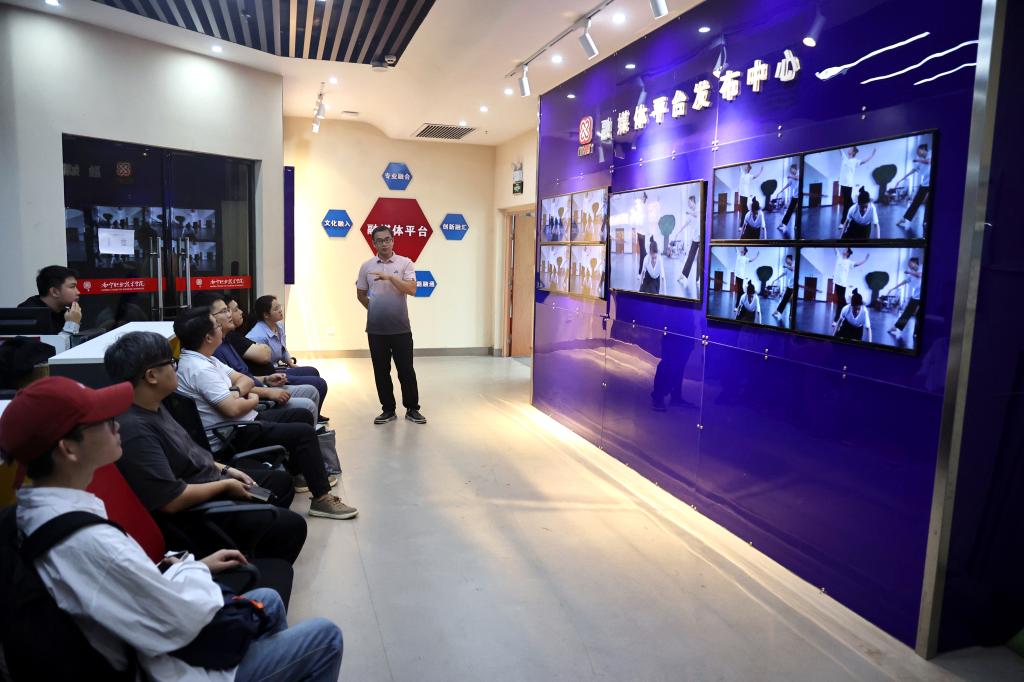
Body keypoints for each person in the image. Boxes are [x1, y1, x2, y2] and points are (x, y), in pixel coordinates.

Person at [0, 376, 343, 681]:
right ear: (68, 448)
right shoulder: (89, 541)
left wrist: (194, 567)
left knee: (267, 600)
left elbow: (121, 589)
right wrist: (192, 572)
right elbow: (181, 620)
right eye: (103, 421)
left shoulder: (33, 513)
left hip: (150, 638)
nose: (116, 425)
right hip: (163, 664)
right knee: (325, 636)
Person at [104, 331, 308, 565]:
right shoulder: (136, 430)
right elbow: (171, 500)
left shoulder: (156, 406)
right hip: (198, 510)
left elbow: (190, 452)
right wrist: (225, 485)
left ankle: (255, 549)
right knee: (292, 526)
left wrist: (226, 470)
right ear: (151, 376)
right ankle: (249, 568)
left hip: (211, 479)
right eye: (171, 363)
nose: (176, 368)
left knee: (279, 484)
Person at [173, 307, 357, 520]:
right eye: (216, 325)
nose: (220, 327)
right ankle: (322, 499)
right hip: (235, 433)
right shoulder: (199, 369)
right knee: (304, 433)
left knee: (302, 415)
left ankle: (300, 474)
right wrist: (250, 399)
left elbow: (244, 379)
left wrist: (238, 393)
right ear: (207, 337)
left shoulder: (206, 359)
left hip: (243, 420)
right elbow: (232, 408)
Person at [199, 293, 321, 424]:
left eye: (229, 310)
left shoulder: (226, 341)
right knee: (308, 405)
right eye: (225, 311)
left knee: (312, 390)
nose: (230, 314)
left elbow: (245, 378)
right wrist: (267, 392)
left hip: (261, 386)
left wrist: (266, 379)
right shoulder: (213, 354)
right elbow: (235, 391)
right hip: (254, 402)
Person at [356, 225, 427, 425]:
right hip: (376, 330)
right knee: (381, 371)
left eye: (387, 239)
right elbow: (360, 294)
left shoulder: (405, 263)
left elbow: (412, 289)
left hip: (401, 329)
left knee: (406, 370)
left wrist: (391, 278)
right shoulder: (367, 266)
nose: (384, 244)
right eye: (380, 240)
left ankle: (412, 409)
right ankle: (388, 410)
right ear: (374, 243)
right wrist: (375, 309)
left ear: (393, 240)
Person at [244, 296, 329, 422]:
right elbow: (261, 366)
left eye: (279, 306)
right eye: (276, 308)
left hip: (279, 368)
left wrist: (289, 362)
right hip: (271, 373)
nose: (280, 310)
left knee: (313, 371)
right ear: (266, 315)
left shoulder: (278, 326)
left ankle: (316, 415)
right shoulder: (256, 335)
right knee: (319, 383)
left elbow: (283, 348)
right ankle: (313, 418)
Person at [17, 265, 82, 335]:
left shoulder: (66, 312)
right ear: (54, 292)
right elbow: (53, 342)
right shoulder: (29, 314)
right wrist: (71, 325)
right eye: (72, 287)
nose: (78, 292)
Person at [837, 146, 876, 227]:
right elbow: (840, 148)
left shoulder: (855, 161)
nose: (849, 149)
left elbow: (865, 161)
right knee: (849, 203)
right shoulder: (844, 158)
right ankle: (857, 211)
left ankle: (843, 222)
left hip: (848, 184)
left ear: (853, 152)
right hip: (842, 184)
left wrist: (872, 155)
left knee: (846, 204)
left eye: (850, 149)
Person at [896, 143, 931, 230]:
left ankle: (926, 221)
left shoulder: (931, 153)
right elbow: (913, 170)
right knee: (915, 202)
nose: (917, 153)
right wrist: (901, 179)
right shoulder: (920, 161)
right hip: (924, 184)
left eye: (918, 151)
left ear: (923, 149)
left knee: (929, 203)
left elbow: (928, 161)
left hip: (932, 183)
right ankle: (905, 218)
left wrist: (917, 160)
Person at [886, 256, 923, 337]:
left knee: (919, 315)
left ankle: (917, 333)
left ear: (915, 263)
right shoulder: (911, 273)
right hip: (916, 296)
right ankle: (896, 327)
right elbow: (904, 282)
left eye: (910, 263)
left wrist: (909, 272)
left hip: (924, 295)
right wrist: (892, 289)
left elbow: (920, 275)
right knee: (907, 312)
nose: (909, 265)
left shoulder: (922, 267)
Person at [832, 247, 870, 324]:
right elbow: (835, 248)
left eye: (845, 249)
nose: (843, 249)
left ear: (847, 253)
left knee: (840, 302)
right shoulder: (839, 257)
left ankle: (837, 319)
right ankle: (847, 315)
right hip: (836, 282)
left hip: (842, 284)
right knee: (841, 302)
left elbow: (857, 264)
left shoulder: (849, 262)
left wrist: (865, 259)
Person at [772, 163, 800, 236]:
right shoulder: (792, 177)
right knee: (789, 210)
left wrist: (791, 176)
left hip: (800, 196)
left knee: (798, 211)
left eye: (792, 170)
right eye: (791, 170)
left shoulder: (799, 173)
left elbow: (798, 178)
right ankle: (783, 224)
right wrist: (782, 190)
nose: (791, 171)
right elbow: (788, 184)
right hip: (795, 196)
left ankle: (796, 225)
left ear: (795, 169)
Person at [768, 254, 796, 320]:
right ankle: (778, 312)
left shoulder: (794, 264)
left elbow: (792, 269)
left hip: (794, 287)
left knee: (792, 301)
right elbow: (783, 274)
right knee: (784, 300)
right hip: (789, 286)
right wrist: (776, 279)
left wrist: (785, 266)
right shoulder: (787, 268)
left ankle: (791, 315)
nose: (786, 261)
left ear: (790, 259)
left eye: (786, 259)